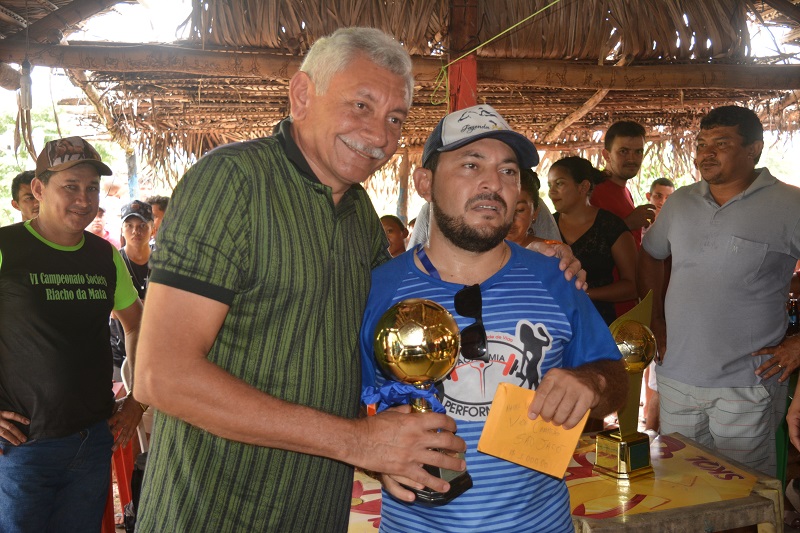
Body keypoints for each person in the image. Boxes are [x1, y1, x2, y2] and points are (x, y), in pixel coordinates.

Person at [132, 28, 468, 533]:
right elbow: (161, 376)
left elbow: (368, 344)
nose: (380, 135)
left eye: (395, 118)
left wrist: (532, 259)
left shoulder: (359, 215)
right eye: (361, 105)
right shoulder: (233, 182)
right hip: (208, 514)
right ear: (302, 96)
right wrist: (358, 441)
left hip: (315, 511)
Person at [360, 104, 627, 532]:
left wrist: (591, 383)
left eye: (508, 171)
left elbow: (615, 380)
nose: (492, 184)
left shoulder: (555, 278)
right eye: (470, 165)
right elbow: (350, 408)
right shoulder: (378, 290)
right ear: (424, 183)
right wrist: (378, 457)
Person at [639, 106, 800, 477]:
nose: (705, 153)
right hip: (677, 376)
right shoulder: (680, 202)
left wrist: (798, 344)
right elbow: (650, 255)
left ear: (753, 149)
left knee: (743, 493)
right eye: (701, 143)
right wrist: (655, 319)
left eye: (721, 143)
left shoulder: (789, 206)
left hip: (746, 383)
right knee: (682, 484)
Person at [0, 136, 145, 532]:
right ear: (38, 189)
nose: (84, 199)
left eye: (92, 188)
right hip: (22, 448)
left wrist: (138, 399)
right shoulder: (6, 248)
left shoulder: (104, 255)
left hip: (94, 439)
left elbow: (136, 324)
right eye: (70, 187)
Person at [549, 156, 638, 325]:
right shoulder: (546, 226)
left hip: (599, 322)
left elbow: (633, 286)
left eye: (559, 183)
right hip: (556, 322)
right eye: (550, 185)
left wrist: (585, 294)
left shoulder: (610, 226)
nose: (551, 192)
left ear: (583, 187)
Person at [642, 177, 674, 431]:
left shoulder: (677, 226)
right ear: (648, 197)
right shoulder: (645, 232)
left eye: (668, 197)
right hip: (657, 313)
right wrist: (657, 317)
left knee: (657, 377)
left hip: (671, 314)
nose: (662, 202)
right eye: (658, 196)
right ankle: (651, 434)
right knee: (656, 378)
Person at [591, 120, 655, 247]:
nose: (632, 159)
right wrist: (627, 224)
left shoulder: (625, 191)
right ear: (607, 155)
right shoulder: (592, 191)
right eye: (623, 151)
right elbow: (583, 245)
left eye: (638, 152)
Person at [111, 200, 154, 379]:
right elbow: (113, 311)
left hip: (157, 350)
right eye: (129, 225)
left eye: (142, 225)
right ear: (122, 229)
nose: (136, 231)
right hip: (119, 350)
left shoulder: (163, 262)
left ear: (153, 228)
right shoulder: (113, 261)